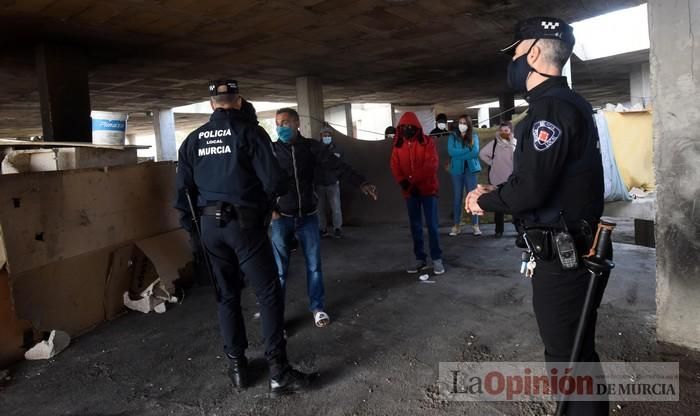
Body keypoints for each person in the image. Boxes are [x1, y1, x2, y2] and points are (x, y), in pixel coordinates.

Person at [466, 17, 609, 416]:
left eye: (514, 52)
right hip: (568, 247)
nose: (511, 61)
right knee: (573, 350)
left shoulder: (550, 111)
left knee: (567, 355)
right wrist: (499, 191)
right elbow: (545, 181)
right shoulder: (569, 103)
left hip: (563, 256)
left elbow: (531, 189)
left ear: (532, 54)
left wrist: (484, 202)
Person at [174, 80, 310, 396]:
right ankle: (279, 373)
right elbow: (276, 181)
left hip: (209, 228)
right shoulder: (250, 133)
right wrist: (263, 207)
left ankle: (238, 368)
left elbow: (182, 194)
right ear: (238, 102)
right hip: (245, 225)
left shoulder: (192, 140)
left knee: (226, 295)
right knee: (268, 294)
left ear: (211, 104)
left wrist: (195, 232)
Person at [271, 108, 378, 328]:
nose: (281, 127)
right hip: (281, 218)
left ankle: (317, 308)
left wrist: (361, 182)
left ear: (297, 123)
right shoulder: (271, 151)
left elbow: (337, 166)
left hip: (309, 217)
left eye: (286, 122)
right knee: (280, 271)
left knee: (314, 267)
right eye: (278, 123)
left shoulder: (311, 148)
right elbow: (261, 182)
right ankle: (276, 317)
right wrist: (270, 209)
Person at [390, 111, 444, 275]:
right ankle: (420, 259)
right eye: (404, 127)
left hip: (428, 190)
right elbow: (395, 165)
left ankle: (437, 259)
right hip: (410, 193)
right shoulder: (398, 145)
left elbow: (431, 165)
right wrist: (404, 183)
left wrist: (412, 182)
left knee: (432, 226)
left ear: (417, 127)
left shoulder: (427, 142)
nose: (407, 129)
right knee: (415, 226)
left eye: (410, 126)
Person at [478, 121, 516, 238]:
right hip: (496, 179)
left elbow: (519, 159)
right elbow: (482, 153)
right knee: (498, 205)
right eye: (502, 130)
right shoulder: (494, 143)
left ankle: (519, 230)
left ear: (510, 131)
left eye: (506, 130)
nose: (503, 133)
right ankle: (499, 230)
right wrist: (492, 162)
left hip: (511, 179)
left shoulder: (515, 144)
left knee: (515, 204)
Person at [447, 115, 481, 236]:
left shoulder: (474, 136)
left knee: (473, 198)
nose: (462, 125)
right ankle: (456, 226)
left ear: (469, 124)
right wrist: (467, 151)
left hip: (470, 171)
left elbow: (475, 152)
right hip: (457, 171)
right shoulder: (452, 137)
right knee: (457, 198)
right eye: (460, 122)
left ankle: (475, 225)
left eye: (464, 123)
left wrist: (459, 155)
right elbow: (451, 152)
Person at [315, 125, 344, 238]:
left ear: (331, 136)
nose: (327, 136)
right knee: (320, 209)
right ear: (321, 136)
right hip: (320, 183)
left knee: (336, 208)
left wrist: (336, 178)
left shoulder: (338, 149)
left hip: (333, 183)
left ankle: (337, 228)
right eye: (324, 135)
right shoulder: (316, 149)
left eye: (329, 135)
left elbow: (342, 166)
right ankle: (322, 229)